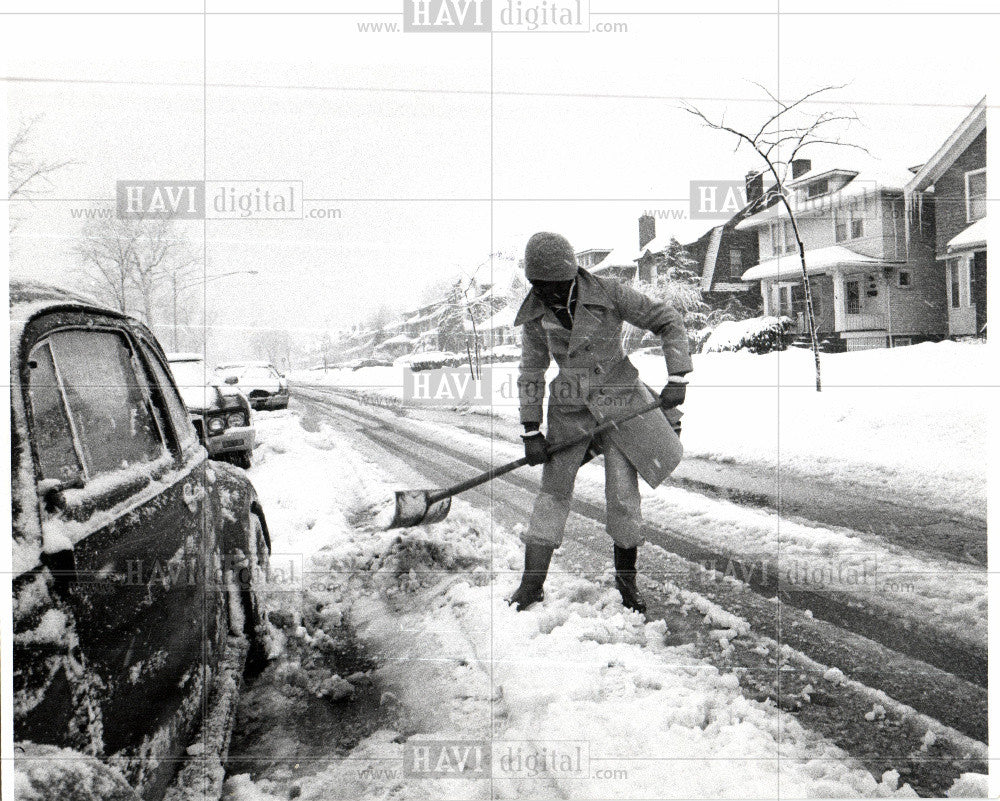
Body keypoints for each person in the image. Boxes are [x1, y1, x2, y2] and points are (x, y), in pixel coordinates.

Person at [508, 231, 692, 613]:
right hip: (570, 408)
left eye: (558, 286)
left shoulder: (608, 292)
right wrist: (530, 431)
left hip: (622, 404)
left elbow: (667, 320)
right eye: (541, 288)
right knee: (552, 493)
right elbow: (531, 371)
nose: (552, 296)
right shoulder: (535, 316)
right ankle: (530, 586)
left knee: (623, 498)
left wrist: (677, 377)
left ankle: (627, 588)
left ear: (572, 274)